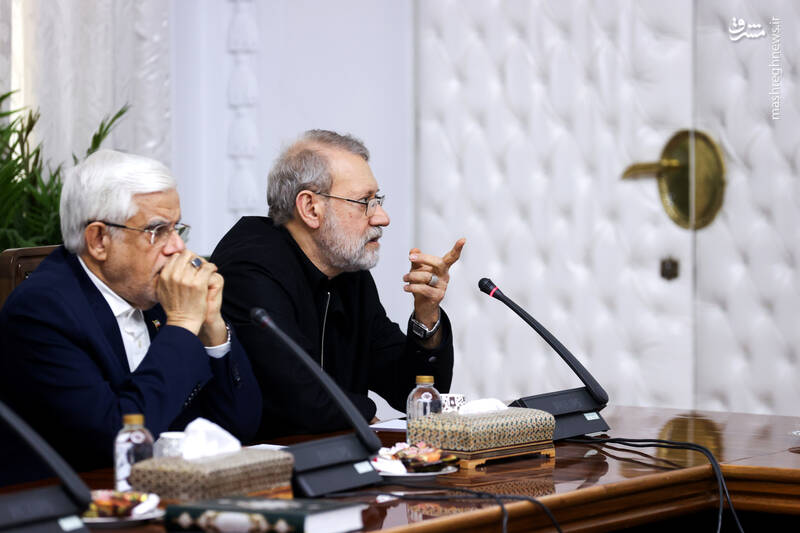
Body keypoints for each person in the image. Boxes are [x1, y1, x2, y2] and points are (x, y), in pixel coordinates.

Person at [0, 149, 261, 483]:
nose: (177, 248)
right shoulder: (42, 311)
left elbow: (239, 428)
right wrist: (182, 324)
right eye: (157, 230)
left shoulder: (155, 292)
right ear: (99, 240)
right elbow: (116, 442)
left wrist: (212, 328)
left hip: (168, 490)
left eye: (176, 228)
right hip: (73, 499)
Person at [211, 129, 465, 439]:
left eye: (377, 201)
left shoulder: (347, 273)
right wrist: (366, 415)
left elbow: (412, 391)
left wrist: (427, 316)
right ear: (310, 208)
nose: (382, 217)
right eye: (365, 202)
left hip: (333, 458)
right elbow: (296, 397)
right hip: (263, 464)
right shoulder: (249, 267)